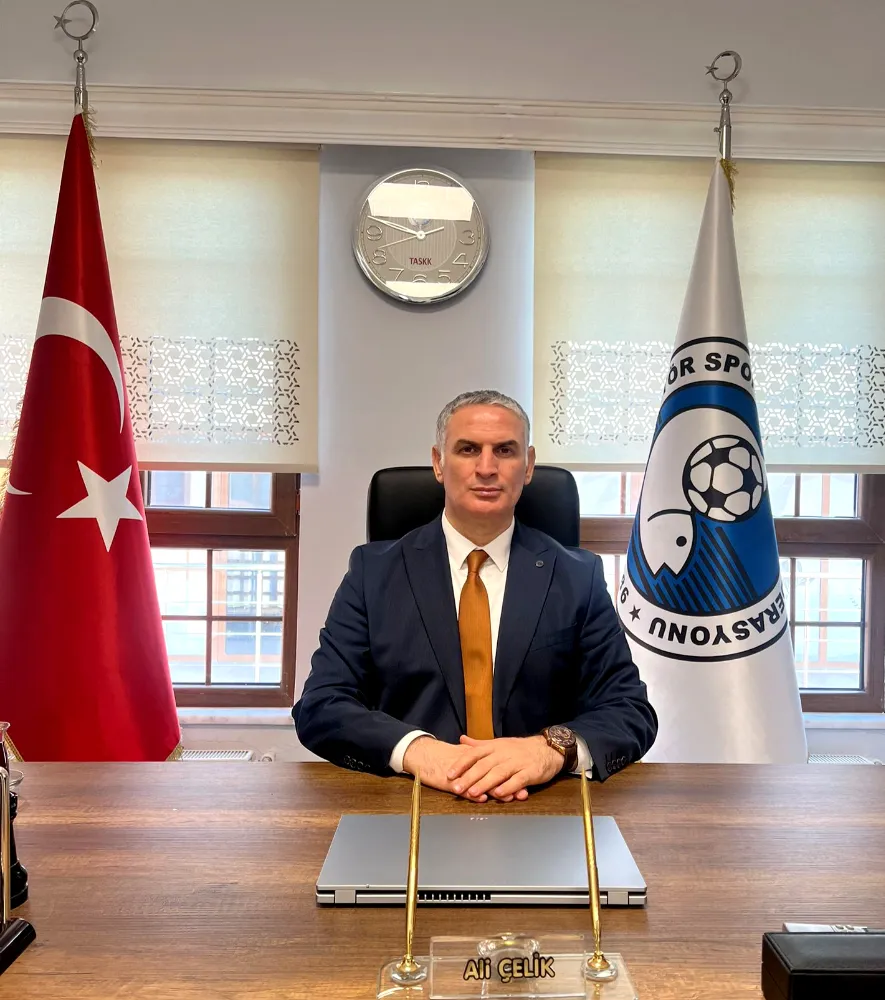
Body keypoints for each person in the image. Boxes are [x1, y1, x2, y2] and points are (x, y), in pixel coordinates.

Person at [294, 390, 657, 802]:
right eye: (468, 449)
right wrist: (416, 750)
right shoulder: (372, 572)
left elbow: (630, 711)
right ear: (438, 463)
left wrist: (550, 749)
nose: (486, 468)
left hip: (539, 807)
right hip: (409, 802)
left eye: (505, 450)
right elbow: (321, 705)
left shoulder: (578, 576)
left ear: (528, 466)